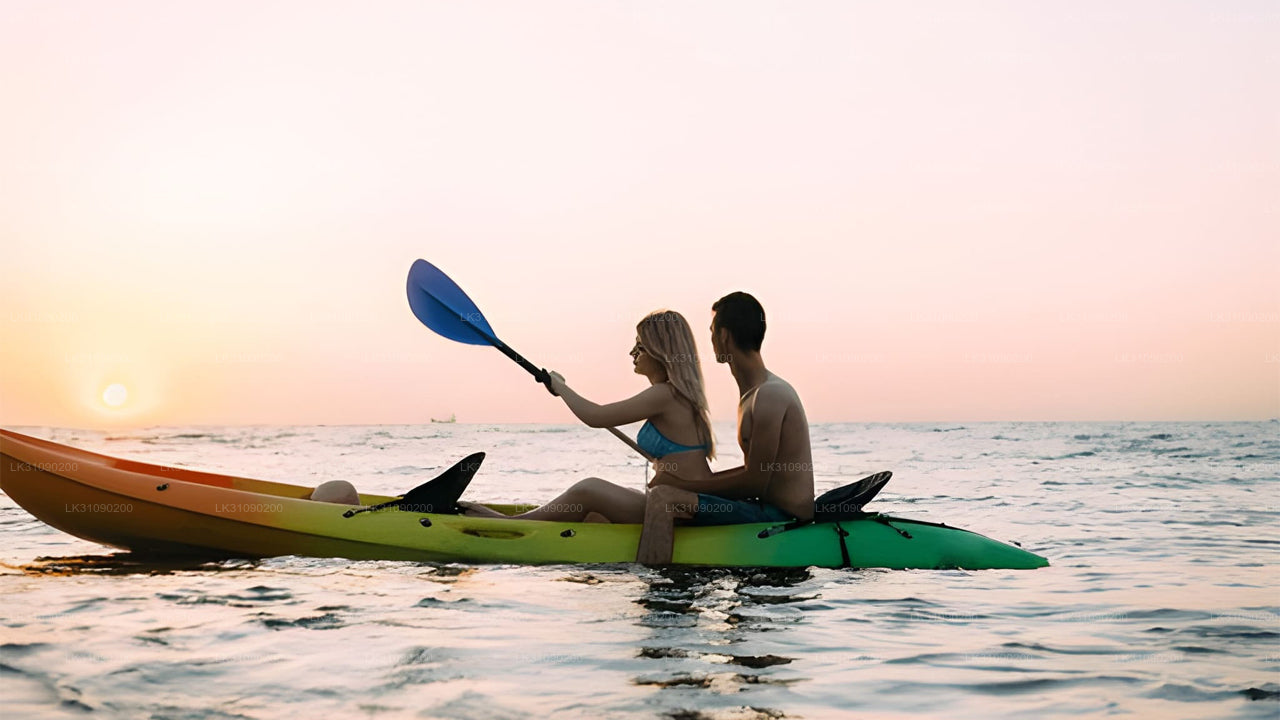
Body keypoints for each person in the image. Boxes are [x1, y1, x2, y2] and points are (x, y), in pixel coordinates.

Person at [460, 309, 716, 525]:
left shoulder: (665, 395)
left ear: (661, 352)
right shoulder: (677, 396)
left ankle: (509, 526)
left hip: (680, 513)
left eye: (640, 347)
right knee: (593, 513)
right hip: (678, 506)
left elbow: (596, 416)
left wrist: (560, 387)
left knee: (589, 490)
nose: (631, 353)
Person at [636, 291, 814, 565]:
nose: (710, 340)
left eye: (711, 331)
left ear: (724, 336)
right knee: (669, 494)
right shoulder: (753, 394)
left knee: (663, 498)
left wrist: (682, 486)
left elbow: (756, 480)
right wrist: (693, 488)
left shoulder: (769, 396)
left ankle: (660, 597)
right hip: (761, 507)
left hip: (780, 515)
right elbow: (754, 473)